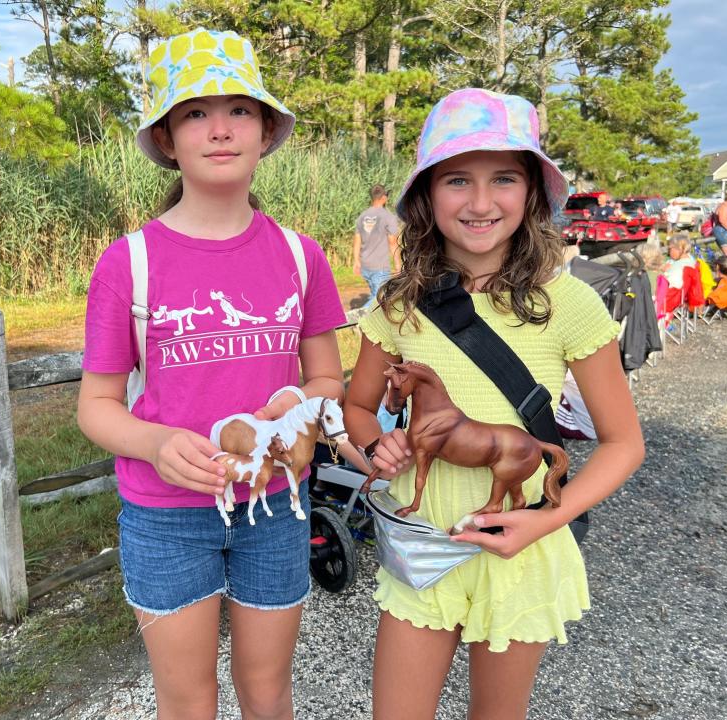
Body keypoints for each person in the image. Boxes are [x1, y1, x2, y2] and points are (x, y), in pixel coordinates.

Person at [342, 88, 645, 720]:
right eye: (457, 180)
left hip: (522, 545)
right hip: (422, 547)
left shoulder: (571, 304)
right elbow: (358, 409)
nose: (480, 203)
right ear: (426, 196)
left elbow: (624, 443)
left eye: (503, 178)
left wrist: (546, 520)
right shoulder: (397, 303)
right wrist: (377, 446)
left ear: (532, 192)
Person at [76, 28, 346, 720]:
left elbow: (326, 383)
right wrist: (156, 445)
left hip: (276, 510)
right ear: (167, 139)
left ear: (265, 132)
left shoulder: (300, 256)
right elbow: (98, 406)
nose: (220, 129)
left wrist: (290, 412)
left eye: (240, 110)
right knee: (188, 700)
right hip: (165, 520)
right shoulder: (127, 262)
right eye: (196, 112)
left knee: (267, 692)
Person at [352, 184, 401, 308]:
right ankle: (359, 319)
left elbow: (357, 240)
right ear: (384, 197)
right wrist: (398, 265)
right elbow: (393, 242)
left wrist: (356, 261)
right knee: (378, 298)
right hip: (379, 266)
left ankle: (368, 323)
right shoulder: (388, 217)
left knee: (375, 293)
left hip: (365, 265)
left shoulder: (362, 216)